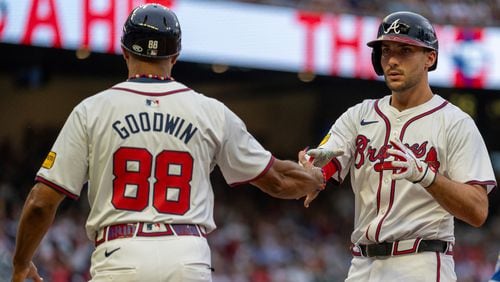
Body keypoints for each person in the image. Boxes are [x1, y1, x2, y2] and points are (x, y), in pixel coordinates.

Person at [11, 4, 328, 282]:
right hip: (186, 256)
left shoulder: (92, 110)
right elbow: (278, 180)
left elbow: (41, 202)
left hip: (120, 254)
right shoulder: (210, 111)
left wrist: (21, 262)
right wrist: (315, 177)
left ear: (124, 51)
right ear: (175, 56)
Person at [305, 11, 497, 281]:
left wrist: (426, 175)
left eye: (405, 50)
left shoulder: (454, 122)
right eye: (386, 51)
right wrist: (311, 175)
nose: (392, 60)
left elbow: (478, 210)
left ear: (430, 57)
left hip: (421, 262)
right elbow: (321, 169)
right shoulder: (359, 116)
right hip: (361, 265)